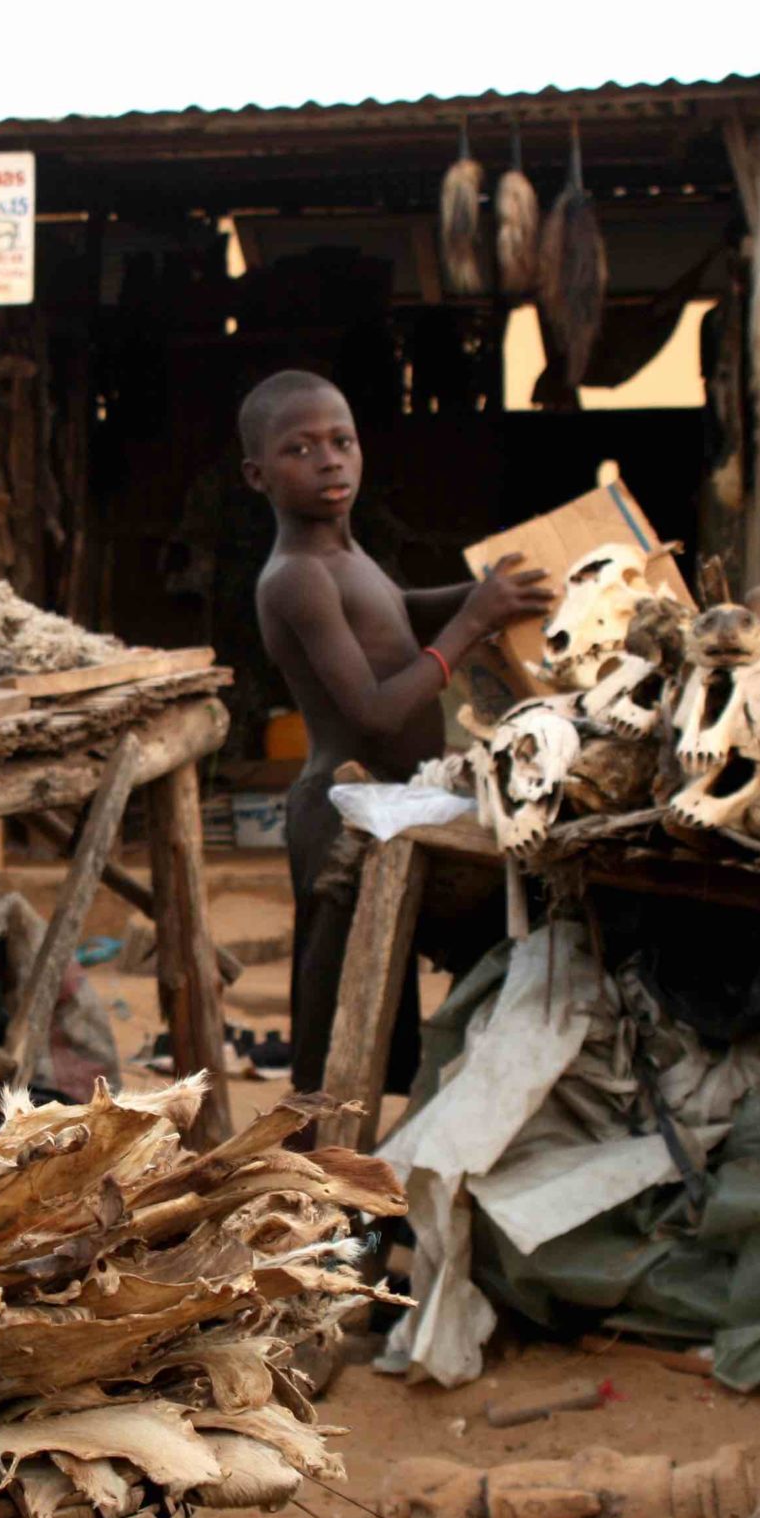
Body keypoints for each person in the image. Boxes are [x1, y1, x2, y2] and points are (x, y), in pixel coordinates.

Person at [246, 369, 555, 1093]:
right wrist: (473, 623)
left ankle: (378, 1167)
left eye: (341, 441)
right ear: (256, 475)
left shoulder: (347, 556)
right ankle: (317, 1182)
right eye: (300, 449)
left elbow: (400, 610)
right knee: (336, 1028)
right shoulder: (295, 577)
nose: (329, 460)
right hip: (339, 815)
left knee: (382, 1007)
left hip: (393, 806)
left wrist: (483, 597)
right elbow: (375, 710)